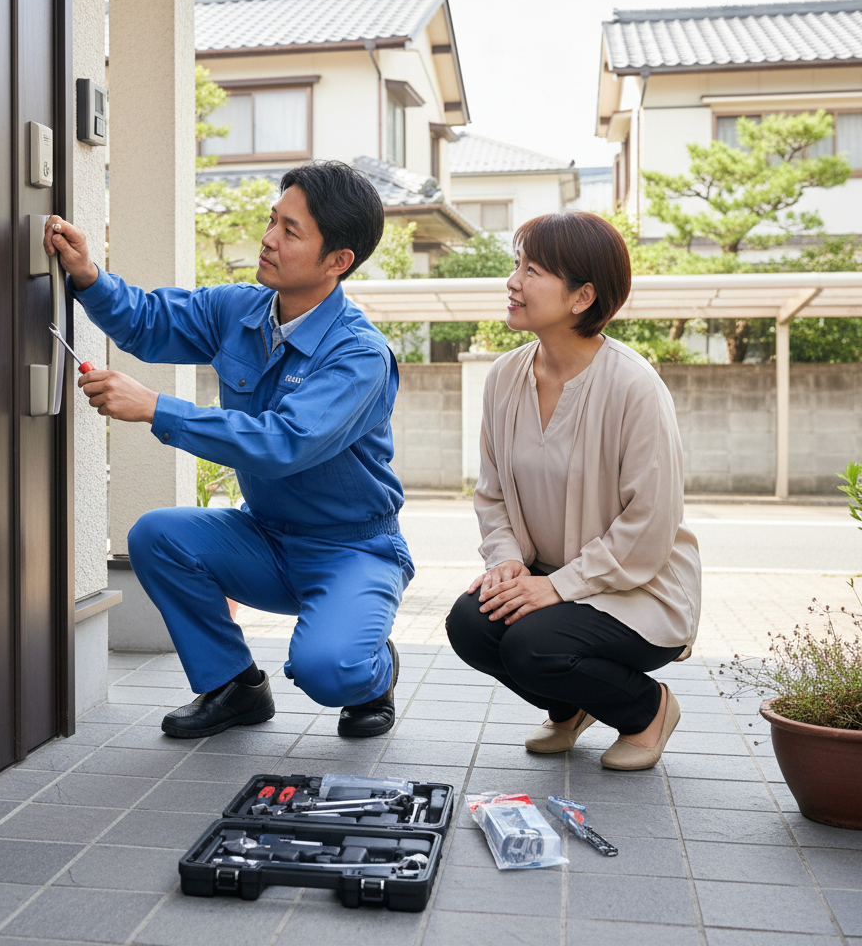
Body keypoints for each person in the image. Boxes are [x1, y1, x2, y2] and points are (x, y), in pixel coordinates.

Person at [44, 161, 413, 739]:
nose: (268, 239)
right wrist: (88, 275)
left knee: (327, 670)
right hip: (265, 536)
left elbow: (283, 443)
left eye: (291, 232)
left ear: (338, 261)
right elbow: (148, 322)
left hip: (352, 549)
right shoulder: (239, 310)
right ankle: (234, 687)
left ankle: (373, 668)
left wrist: (156, 408)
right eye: (273, 220)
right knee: (156, 535)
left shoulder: (358, 355)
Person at [445, 212, 701, 771]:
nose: (513, 282)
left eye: (531, 269)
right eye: (517, 265)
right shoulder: (504, 377)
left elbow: (650, 524)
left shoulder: (634, 386)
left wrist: (559, 587)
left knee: (532, 644)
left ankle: (647, 710)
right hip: (553, 581)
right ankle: (570, 710)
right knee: (469, 622)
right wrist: (507, 563)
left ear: (582, 295)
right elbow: (491, 494)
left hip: (638, 589)